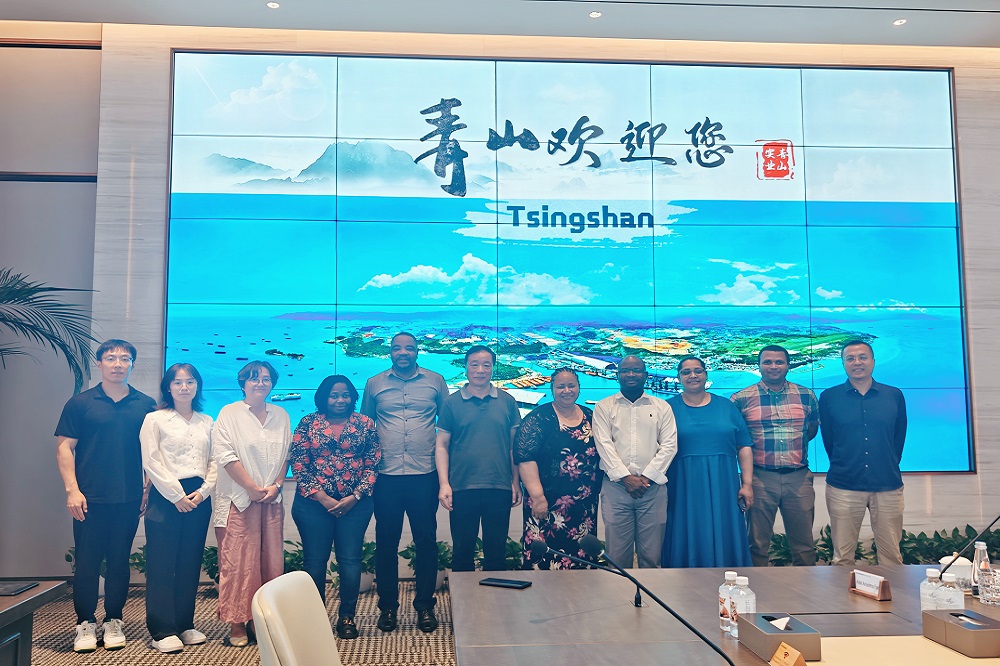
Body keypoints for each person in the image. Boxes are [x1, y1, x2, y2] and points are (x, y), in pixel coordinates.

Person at [55, 339, 156, 653]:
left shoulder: (146, 405)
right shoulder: (80, 403)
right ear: (99, 364)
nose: (118, 364)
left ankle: (114, 620)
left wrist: (147, 487)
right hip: (88, 499)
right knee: (87, 562)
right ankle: (84, 623)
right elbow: (64, 448)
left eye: (125, 359)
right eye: (111, 358)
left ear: (132, 365)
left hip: (128, 498)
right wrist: (72, 490)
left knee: (119, 562)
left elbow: (153, 452)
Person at [361, 332, 449, 634]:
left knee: (426, 541)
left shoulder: (436, 381)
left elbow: (446, 426)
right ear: (390, 352)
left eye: (409, 348)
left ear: (416, 352)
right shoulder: (374, 384)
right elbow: (365, 427)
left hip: (425, 474)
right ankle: (388, 607)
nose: (403, 352)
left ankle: (425, 606)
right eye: (397, 348)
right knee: (386, 542)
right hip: (386, 476)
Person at [291, 375, 380, 639]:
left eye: (345, 395)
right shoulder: (308, 423)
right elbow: (299, 463)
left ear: (353, 397)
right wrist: (323, 497)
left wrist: (355, 496)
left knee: (350, 560)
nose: (340, 400)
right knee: (315, 562)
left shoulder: (365, 424)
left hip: (355, 505)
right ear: (323, 397)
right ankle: (316, 619)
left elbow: (373, 463)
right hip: (312, 505)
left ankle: (347, 618)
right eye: (334, 395)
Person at [212, 361, 291, 647]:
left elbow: (287, 455)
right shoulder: (229, 413)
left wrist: (276, 486)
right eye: (254, 378)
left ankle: (262, 620)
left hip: (271, 499)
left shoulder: (281, 414)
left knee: (271, 562)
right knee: (238, 563)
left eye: (266, 379)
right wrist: (251, 487)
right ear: (243, 383)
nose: (260, 383)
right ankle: (237, 622)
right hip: (239, 499)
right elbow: (225, 455)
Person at [139, 363, 216, 654]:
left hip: (198, 496)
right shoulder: (154, 419)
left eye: (190, 381)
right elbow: (151, 460)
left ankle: (184, 624)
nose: (184, 387)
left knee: (189, 563)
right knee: (162, 564)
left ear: (198, 386)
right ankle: (162, 630)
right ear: (168, 387)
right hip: (166, 496)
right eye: (177, 382)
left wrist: (203, 492)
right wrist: (176, 496)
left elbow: (215, 461)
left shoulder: (207, 421)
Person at [820, 340, 907, 566]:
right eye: (850, 358)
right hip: (843, 485)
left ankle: (892, 591)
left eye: (862, 357)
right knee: (842, 557)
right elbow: (829, 440)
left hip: (887, 485)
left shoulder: (894, 395)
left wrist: (887, 463)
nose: (857, 362)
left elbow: (898, 438)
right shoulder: (829, 397)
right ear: (843, 363)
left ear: (873, 362)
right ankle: (842, 591)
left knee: (891, 556)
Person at [731, 345, 820, 567]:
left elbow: (811, 430)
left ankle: (806, 587)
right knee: (757, 544)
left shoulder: (806, 395)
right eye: (767, 362)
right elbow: (737, 440)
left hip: (799, 478)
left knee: (804, 545)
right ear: (759, 365)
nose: (773, 366)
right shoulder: (741, 398)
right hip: (760, 479)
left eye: (779, 362)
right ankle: (754, 587)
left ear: (788, 365)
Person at [436, 345, 522, 572]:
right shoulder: (451, 403)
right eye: (474, 364)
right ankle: (464, 597)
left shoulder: (507, 401)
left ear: (493, 368)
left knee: (496, 554)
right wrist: (444, 484)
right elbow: (442, 445)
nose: (480, 370)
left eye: (486, 365)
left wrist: (515, 482)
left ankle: (495, 596)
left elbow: (514, 447)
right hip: (462, 487)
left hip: (499, 486)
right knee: (462, 553)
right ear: (465, 368)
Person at [662, 356, 753, 568]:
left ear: (706, 374)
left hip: (724, 482)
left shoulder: (727, 406)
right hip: (683, 484)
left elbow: (744, 446)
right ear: (678, 378)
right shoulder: (667, 408)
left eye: (698, 371)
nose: (692, 375)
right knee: (686, 528)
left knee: (724, 527)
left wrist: (747, 484)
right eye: (686, 372)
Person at [593, 355, 677, 568]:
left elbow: (669, 446)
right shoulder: (603, 407)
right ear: (618, 375)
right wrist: (626, 478)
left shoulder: (662, 407)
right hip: (616, 489)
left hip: (652, 490)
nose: (631, 374)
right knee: (617, 557)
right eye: (625, 371)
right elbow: (603, 445)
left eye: (636, 370)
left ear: (645, 375)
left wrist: (646, 478)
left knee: (651, 556)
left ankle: (649, 591)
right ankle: (620, 591)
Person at [515, 367, 601, 569]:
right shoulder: (538, 419)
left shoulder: (590, 416)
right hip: (546, 503)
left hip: (584, 506)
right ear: (552, 389)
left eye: (571, 385)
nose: (566, 390)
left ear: (579, 387)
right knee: (545, 558)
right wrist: (538, 497)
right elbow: (525, 459)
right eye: (561, 386)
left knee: (581, 558)